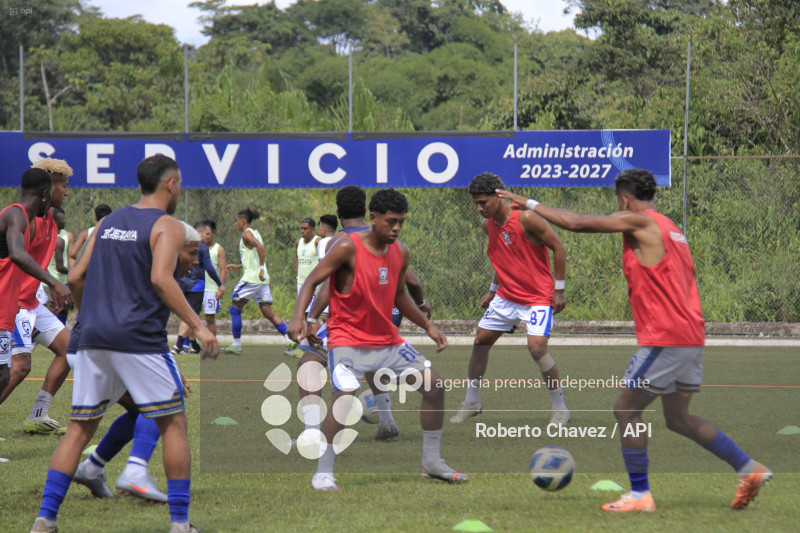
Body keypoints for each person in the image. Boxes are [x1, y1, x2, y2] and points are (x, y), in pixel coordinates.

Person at [496, 168, 772, 512]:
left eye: (619, 205)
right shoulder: (670, 227)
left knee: (625, 409)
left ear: (624, 200)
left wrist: (529, 203)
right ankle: (749, 469)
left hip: (666, 339)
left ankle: (640, 495)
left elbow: (577, 223)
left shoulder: (640, 222)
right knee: (679, 419)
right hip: (689, 337)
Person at [30, 154, 219, 533]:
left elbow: (78, 273)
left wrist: (93, 313)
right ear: (172, 185)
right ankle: (180, 524)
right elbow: (162, 279)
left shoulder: (109, 221)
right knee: (173, 422)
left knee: (79, 429)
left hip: (94, 336)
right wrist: (198, 326)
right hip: (138, 339)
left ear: (138, 185)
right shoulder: (166, 225)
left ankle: (45, 520)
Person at [288, 188, 468, 491]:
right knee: (344, 397)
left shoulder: (401, 251)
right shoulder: (347, 246)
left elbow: (400, 295)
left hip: (387, 340)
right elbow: (313, 280)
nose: (396, 228)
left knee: (434, 386)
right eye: (391, 221)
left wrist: (428, 326)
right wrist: (301, 318)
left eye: (401, 222)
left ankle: (432, 462)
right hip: (347, 339)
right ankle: (323, 473)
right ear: (373, 218)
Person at [72, 222, 203, 505]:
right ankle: (135, 471)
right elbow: (141, 328)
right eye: (192, 253)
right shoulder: (159, 277)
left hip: (95, 342)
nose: (196, 262)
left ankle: (89, 470)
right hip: (104, 345)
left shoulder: (148, 268)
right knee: (162, 404)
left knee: (139, 411)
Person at [297, 187, 430, 442]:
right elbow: (411, 280)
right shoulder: (387, 240)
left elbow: (327, 284)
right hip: (389, 315)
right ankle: (387, 420)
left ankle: (313, 433)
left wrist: (311, 317)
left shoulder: (337, 242)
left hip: (354, 321)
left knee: (308, 363)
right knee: (372, 361)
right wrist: (422, 303)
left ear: (337, 212)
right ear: (368, 213)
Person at [451, 172, 569, 427]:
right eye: (476, 204)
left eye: (483, 202)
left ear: (498, 197)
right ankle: (472, 402)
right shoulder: (488, 225)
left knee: (537, 349)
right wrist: (493, 290)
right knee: (480, 341)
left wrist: (559, 290)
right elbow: (502, 257)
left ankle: (560, 408)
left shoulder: (526, 218)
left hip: (538, 297)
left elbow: (559, 247)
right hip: (506, 297)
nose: (479, 208)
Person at [0, 168, 73, 459]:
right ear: (47, 189)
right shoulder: (18, 216)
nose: (67, 192)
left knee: (70, 349)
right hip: (14, 303)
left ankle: (39, 412)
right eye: (63, 186)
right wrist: (53, 282)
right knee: (16, 369)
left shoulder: (50, 220)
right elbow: (17, 256)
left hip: (29, 302)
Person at [223, 207, 291, 355]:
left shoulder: (246, 234)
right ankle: (290, 340)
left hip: (252, 279)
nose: (236, 224)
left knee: (234, 309)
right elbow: (253, 255)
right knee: (268, 312)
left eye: (237, 221)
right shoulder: (255, 233)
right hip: (262, 280)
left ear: (243, 221)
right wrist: (239, 266)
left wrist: (260, 268)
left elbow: (260, 247)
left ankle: (236, 345)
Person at [172, 221, 224, 355]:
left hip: (181, 284)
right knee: (190, 316)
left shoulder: (182, 245)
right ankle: (178, 346)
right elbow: (210, 268)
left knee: (188, 314)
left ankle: (194, 345)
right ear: (198, 233)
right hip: (196, 286)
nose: (208, 236)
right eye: (206, 234)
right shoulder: (201, 247)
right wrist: (219, 284)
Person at [285, 218, 321, 356]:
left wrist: (316, 284)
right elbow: (297, 257)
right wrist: (298, 274)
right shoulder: (298, 242)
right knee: (307, 315)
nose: (302, 231)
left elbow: (324, 261)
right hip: (301, 283)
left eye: (305, 228)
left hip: (314, 284)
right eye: (301, 228)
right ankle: (309, 344)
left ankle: (306, 345)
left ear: (313, 229)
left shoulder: (317, 242)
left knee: (313, 316)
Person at [37, 207, 71, 324]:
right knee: (62, 309)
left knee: (53, 308)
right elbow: (59, 267)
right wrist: (72, 271)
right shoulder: (59, 240)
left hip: (45, 280)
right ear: (54, 221)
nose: (65, 221)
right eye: (62, 219)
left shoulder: (44, 238)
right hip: (57, 281)